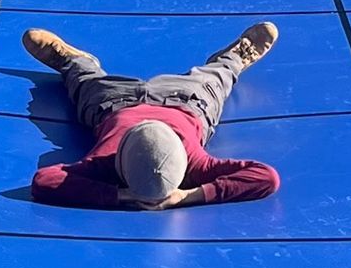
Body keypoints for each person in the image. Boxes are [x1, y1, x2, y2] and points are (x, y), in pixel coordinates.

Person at [22, 21, 281, 209]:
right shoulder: (197, 165)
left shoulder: (104, 162)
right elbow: (265, 176)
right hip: (187, 100)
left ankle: (74, 62)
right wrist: (189, 196)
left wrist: (119, 196)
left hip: (114, 102)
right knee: (215, 79)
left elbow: (45, 181)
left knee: (86, 81)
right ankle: (231, 60)